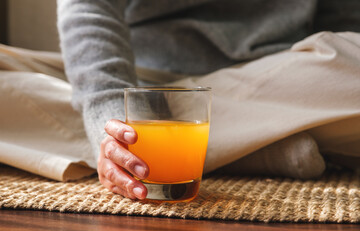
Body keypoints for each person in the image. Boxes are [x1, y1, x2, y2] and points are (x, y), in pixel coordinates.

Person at [57, 0, 360, 200]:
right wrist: (110, 122)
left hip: (279, 79)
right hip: (147, 89)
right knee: (8, 77)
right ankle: (253, 146)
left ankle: (201, 151)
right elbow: (88, 8)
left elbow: (342, 24)